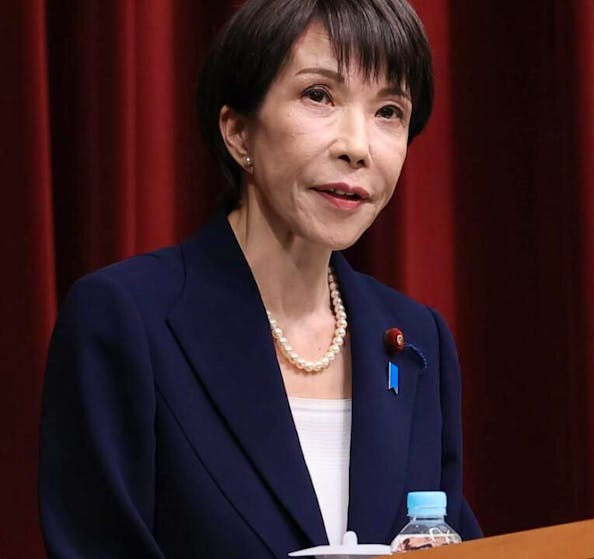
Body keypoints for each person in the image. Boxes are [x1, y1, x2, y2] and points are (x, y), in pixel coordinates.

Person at [38, 0, 481, 556]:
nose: (358, 147)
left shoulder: (415, 342)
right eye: (319, 95)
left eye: (388, 111)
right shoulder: (125, 320)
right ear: (238, 133)